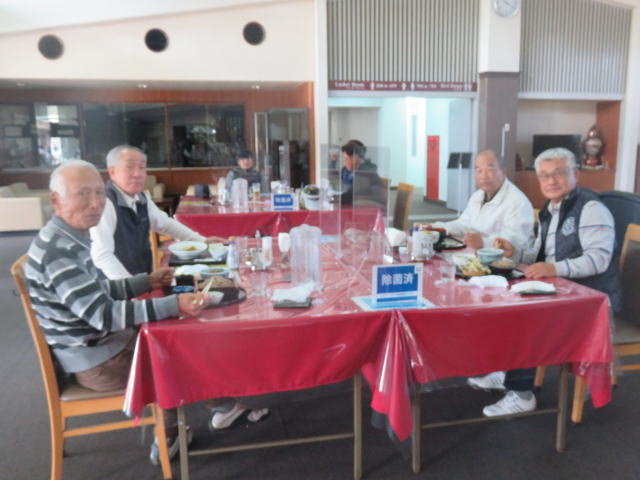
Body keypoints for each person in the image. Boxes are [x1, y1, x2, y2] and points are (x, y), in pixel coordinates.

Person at [24, 159, 208, 464]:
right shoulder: (58, 253)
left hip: (96, 347)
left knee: (171, 335)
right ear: (56, 200)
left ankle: (209, 411)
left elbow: (96, 290)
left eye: (99, 193)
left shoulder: (66, 237)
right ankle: (170, 436)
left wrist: (145, 281)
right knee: (176, 351)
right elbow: (103, 315)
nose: (96, 203)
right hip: (97, 361)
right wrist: (173, 304)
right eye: (83, 194)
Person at [480, 147, 621, 417]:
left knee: (525, 315)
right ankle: (508, 371)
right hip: (564, 290)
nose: (551, 181)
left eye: (559, 173)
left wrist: (553, 268)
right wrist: (515, 253)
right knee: (504, 302)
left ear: (576, 174)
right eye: (544, 176)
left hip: (594, 301)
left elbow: (599, 260)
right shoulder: (550, 209)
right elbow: (541, 254)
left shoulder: (591, 208)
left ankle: (521, 394)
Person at [90, 145, 223, 279]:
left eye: (142, 167)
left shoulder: (141, 197)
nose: (137, 174)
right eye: (129, 167)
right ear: (112, 171)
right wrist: (131, 285)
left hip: (140, 278)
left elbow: (164, 224)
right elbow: (102, 255)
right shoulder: (105, 203)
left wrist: (202, 241)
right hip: (115, 286)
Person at [431, 150, 535, 250]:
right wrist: (435, 227)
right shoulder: (478, 195)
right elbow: (464, 224)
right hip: (476, 252)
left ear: (503, 172)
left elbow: (515, 240)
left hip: (504, 259)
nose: (483, 176)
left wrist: (484, 242)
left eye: (490, 169)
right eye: (479, 170)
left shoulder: (517, 202)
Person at [339, 139, 386, 207]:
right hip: (364, 205)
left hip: (375, 208)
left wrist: (334, 198)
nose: (344, 162)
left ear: (355, 158)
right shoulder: (361, 169)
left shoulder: (365, 172)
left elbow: (350, 196)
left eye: (346, 159)